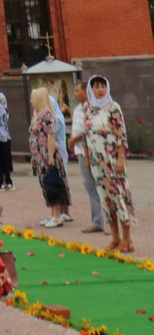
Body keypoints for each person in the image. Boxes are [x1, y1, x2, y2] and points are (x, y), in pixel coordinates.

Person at [84, 75, 135, 253]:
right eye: (96, 87)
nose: (100, 90)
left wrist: (121, 157)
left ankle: (127, 239)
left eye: (102, 86)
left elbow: (121, 134)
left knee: (119, 197)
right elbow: (87, 133)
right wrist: (87, 157)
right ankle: (115, 237)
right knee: (105, 199)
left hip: (112, 160)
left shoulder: (113, 107)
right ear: (91, 90)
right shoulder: (88, 108)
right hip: (97, 162)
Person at [28, 86, 71, 228]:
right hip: (40, 155)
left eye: (33, 98)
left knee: (52, 183)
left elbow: (51, 135)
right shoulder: (38, 113)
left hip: (47, 154)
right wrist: (34, 156)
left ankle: (58, 215)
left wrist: (51, 157)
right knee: (46, 184)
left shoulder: (46, 113)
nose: (31, 101)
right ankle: (53, 214)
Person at [69, 81, 105, 232]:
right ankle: (97, 220)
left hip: (90, 151)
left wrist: (72, 140)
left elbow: (87, 130)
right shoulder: (78, 108)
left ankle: (106, 222)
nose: (74, 94)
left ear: (85, 92)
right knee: (89, 186)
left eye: (77, 91)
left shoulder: (91, 107)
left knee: (99, 185)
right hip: (80, 151)